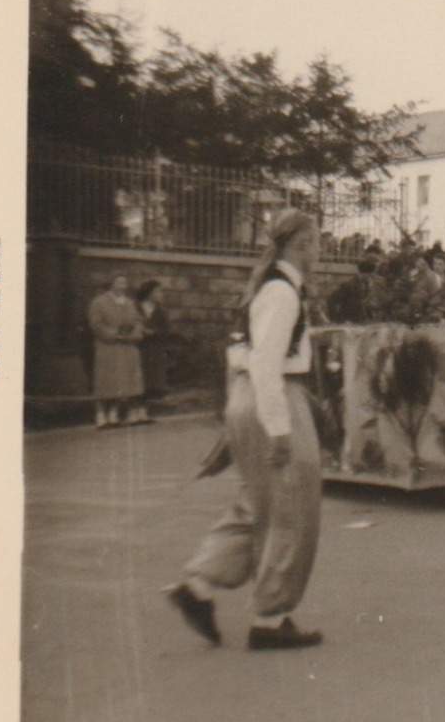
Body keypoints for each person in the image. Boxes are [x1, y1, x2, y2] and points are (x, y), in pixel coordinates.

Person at [166, 209, 325, 651]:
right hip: (273, 397)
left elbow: (242, 356)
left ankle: (198, 587)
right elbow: (267, 365)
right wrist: (277, 428)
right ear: (302, 245)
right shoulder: (282, 293)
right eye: (317, 242)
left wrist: (236, 419)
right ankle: (270, 620)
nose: (320, 250)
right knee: (293, 508)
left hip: (248, 394)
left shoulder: (267, 286)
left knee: (258, 504)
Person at [87, 273, 146, 428]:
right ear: (111, 284)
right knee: (106, 381)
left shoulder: (130, 303)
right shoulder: (99, 303)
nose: (123, 286)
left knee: (124, 383)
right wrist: (114, 335)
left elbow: (139, 322)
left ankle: (114, 414)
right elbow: (96, 324)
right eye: (119, 283)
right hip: (108, 347)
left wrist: (134, 334)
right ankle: (100, 415)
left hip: (127, 347)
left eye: (124, 283)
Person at [135, 279, 172, 405]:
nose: (160, 294)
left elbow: (166, 329)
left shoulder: (161, 311)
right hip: (139, 347)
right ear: (149, 293)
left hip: (155, 348)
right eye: (157, 291)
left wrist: (154, 332)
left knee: (154, 375)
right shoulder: (136, 308)